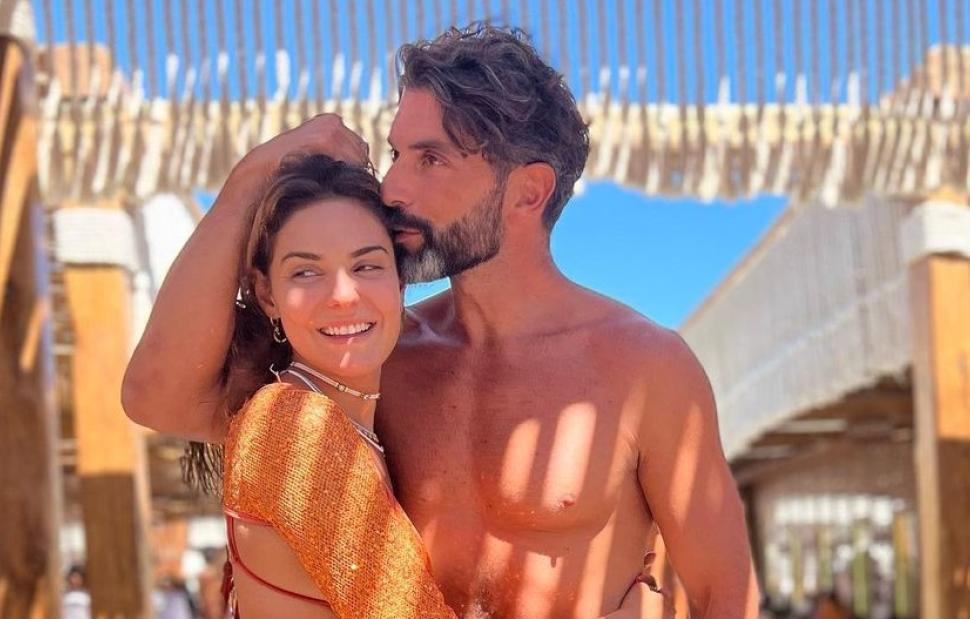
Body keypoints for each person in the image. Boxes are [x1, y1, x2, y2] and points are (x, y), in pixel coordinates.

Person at [123, 24, 757, 618]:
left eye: (430, 159)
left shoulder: (644, 368)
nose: (392, 187)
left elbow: (723, 593)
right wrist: (250, 179)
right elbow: (157, 396)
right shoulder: (369, 359)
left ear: (528, 191)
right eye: (395, 153)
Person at [199, 153, 455, 617]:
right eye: (306, 272)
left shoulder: (350, 423)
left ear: (400, 282)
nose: (342, 296)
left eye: (366, 266)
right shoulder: (294, 425)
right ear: (267, 294)